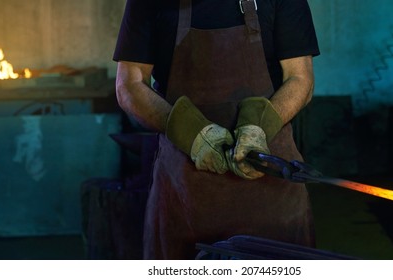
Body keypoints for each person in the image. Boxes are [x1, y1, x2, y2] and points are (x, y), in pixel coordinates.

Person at [113, 0, 320, 259]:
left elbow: (300, 79)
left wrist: (259, 128)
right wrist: (191, 132)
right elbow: (129, 86)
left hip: (268, 182)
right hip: (186, 191)